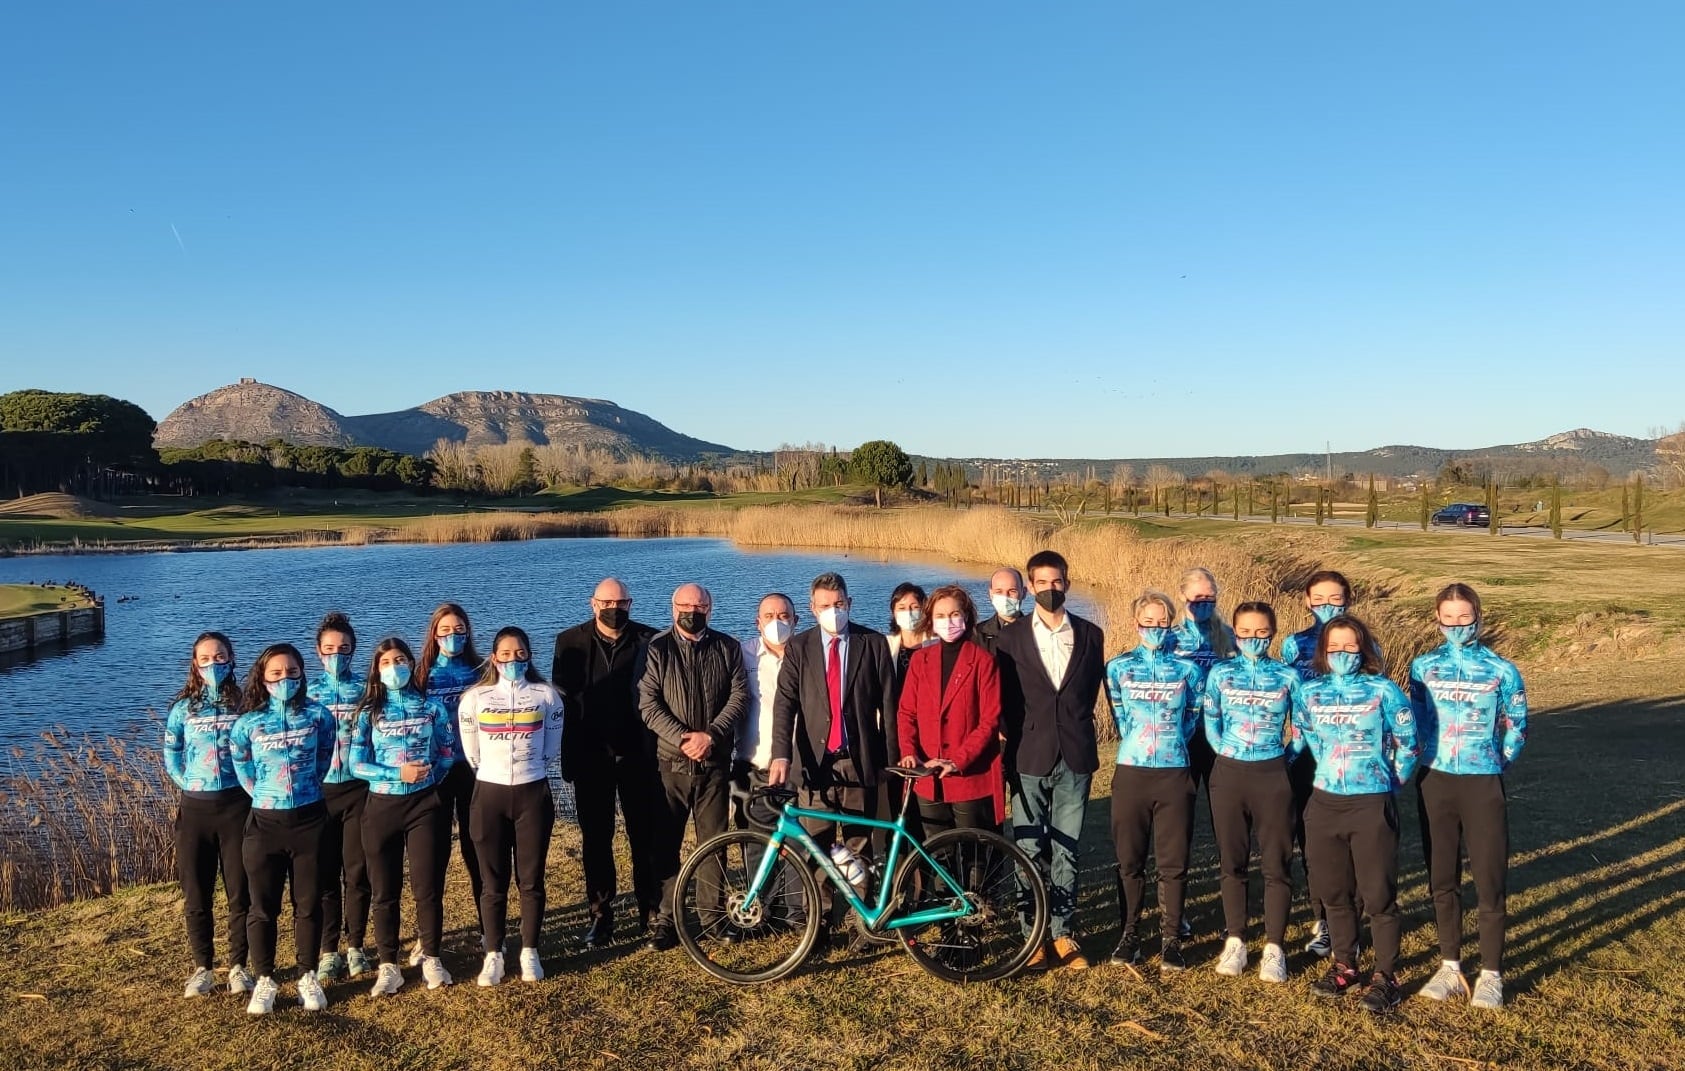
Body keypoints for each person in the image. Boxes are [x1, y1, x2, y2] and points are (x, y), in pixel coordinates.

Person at [1410, 584, 1528, 1010]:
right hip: (1435, 780)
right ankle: (1450, 965)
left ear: (1478, 616)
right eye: (1449, 617)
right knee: (1442, 877)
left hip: (1482, 781)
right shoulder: (1423, 667)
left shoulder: (1501, 669)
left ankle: (1491, 973)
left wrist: (1498, 760)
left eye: (1465, 617)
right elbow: (1417, 721)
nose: (1457, 625)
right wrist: (1421, 758)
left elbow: (1517, 722)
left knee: (1489, 877)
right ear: (1437, 619)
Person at [1292, 616, 1417, 1014]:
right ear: (1324, 653)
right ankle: (1345, 964)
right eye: (1335, 649)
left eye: (1350, 648)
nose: (1342, 655)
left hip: (1371, 801)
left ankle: (1386, 975)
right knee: (1335, 894)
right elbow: (1308, 737)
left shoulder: (1384, 690)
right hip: (1324, 802)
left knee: (1378, 894)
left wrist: (1389, 782)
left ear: (1362, 650)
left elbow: (1409, 743)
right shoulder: (1310, 693)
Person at [769, 572, 899, 938]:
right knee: (816, 847)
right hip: (815, 765)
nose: (833, 612)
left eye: (838, 605)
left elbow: (888, 706)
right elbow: (785, 705)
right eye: (825, 606)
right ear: (812, 609)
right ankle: (819, 923)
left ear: (849, 604)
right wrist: (782, 755)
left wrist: (890, 762)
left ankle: (863, 923)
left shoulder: (872, 643)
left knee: (857, 845)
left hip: (859, 762)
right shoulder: (799, 647)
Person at [993, 550, 1106, 971]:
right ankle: (1032, 933)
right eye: (1041, 583)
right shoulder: (1011, 638)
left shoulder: (1092, 635)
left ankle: (1062, 932)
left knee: (1067, 848)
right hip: (1028, 753)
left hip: (1075, 753)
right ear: (1030, 587)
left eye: (1057, 582)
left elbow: (1089, 691)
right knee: (1028, 846)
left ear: (1067, 584)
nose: (1050, 589)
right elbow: (1002, 699)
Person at [552, 577, 662, 948]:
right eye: (606, 602)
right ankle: (601, 916)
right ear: (592, 603)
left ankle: (651, 908)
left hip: (640, 755)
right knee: (596, 840)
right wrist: (564, 757)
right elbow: (562, 705)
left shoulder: (651, 640)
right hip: (591, 757)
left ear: (630, 603)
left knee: (643, 836)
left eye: (621, 602)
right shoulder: (569, 642)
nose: (614, 609)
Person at [638, 583, 749, 950]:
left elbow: (739, 696)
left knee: (714, 843)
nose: (692, 610)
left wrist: (711, 735)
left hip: (715, 763)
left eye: (699, 605)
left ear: (710, 609)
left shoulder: (727, 646)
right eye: (685, 605)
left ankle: (712, 918)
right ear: (673, 609)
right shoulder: (656, 649)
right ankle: (668, 920)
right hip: (670, 763)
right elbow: (649, 704)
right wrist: (686, 738)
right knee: (666, 843)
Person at [228, 643, 336, 1015]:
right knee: (263, 907)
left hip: (310, 820)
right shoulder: (247, 724)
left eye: (292, 672)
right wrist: (267, 795)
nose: (285, 678)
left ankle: (308, 975)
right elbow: (244, 770)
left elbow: (323, 760)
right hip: (265, 824)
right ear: (263, 677)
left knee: (307, 904)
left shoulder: (319, 716)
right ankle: (265, 979)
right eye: (276, 673)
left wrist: (304, 790)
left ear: (302, 674)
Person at [350, 637, 458, 997]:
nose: (394, 667)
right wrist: (396, 775)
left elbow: (446, 752)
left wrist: (429, 778)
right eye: (386, 663)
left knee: (428, 888)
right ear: (377, 671)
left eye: (400, 660)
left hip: (424, 806)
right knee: (385, 890)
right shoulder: (367, 713)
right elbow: (356, 763)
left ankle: (431, 956)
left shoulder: (430, 708)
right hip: (381, 806)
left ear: (411, 664)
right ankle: (388, 965)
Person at [1104, 590, 1204, 974]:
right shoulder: (1117, 667)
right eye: (1148, 623)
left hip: (1174, 772)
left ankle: (1171, 938)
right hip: (1132, 770)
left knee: (1172, 862)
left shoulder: (1188, 671)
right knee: (1130, 860)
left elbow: (1191, 717)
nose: (1156, 629)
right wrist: (1142, 744)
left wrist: (1169, 743)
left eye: (1163, 623)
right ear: (1136, 624)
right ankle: (1129, 934)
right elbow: (1119, 716)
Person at [458, 626, 564, 986]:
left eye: (520, 653)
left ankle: (530, 951)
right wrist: (494, 770)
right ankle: (494, 954)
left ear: (529, 655)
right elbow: (471, 751)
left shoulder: (546, 696)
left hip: (533, 791)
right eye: (505, 654)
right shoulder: (476, 698)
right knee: (493, 882)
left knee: (531, 879)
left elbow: (551, 747)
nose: (513, 660)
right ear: (493, 658)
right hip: (489, 792)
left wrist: (529, 767)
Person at [1202, 602, 1301, 984]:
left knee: (1276, 862)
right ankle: (1236, 939)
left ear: (1272, 633)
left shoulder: (1288, 676)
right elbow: (1212, 722)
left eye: (1261, 632)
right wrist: (1226, 752)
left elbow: (1302, 728)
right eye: (1245, 633)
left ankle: (1274, 947)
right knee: (1233, 861)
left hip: (1273, 773)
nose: (1253, 639)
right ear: (1235, 633)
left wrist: (1282, 759)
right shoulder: (1220, 673)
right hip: (1229, 772)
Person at [164, 631, 253, 998]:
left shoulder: (246, 703)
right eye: (205, 659)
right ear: (195, 664)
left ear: (231, 660)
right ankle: (203, 967)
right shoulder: (183, 708)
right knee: (196, 893)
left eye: (220, 657)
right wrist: (189, 782)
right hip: (196, 809)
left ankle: (238, 967)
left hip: (237, 806)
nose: (213, 664)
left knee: (240, 892)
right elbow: (172, 753)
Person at [1278, 569, 1359, 958]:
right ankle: (1323, 918)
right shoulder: (1294, 646)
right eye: (1320, 599)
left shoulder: (1361, 642)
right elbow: (1287, 700)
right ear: (1307, 602)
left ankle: (1354, 917)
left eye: (1336, 599)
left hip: (1353, 762)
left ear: (1348, 600)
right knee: (1312, 842)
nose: (1328, 606)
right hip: (1305, 756)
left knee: (1354, 844)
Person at [895, 585, 1004, 834]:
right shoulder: (920, 661)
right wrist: (910, 752)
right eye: (940, 616)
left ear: (966, 616)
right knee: (937, 854)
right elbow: (907, 712)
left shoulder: (983, 662)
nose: (948, 621)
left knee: (972, 852)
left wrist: (957, 760)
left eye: (954, 614)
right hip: (927, 774)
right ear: (931, 621)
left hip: (968, 777)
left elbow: (989, 720)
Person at [307, 612, 372, 982]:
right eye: (329, 649)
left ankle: (357, 945)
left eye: (344, 648)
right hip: (319, 792)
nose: (337, 655)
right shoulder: (307, 692)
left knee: (358, 870)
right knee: (325, 874)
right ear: (318, 652)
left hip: (359, 790)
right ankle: (329, 949)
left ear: (353, 650)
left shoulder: (366, 689)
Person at [416, 602, 482, 958]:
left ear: (468, 632)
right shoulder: (421, 674)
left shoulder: (480, 671)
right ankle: (429, 939)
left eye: (459, 630)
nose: (453, 637)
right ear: (434, 635)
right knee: (434, 856)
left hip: (473, 771)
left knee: (478, 852)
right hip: (434, 775)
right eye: (445, 631)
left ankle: (490, 930)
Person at [886, 582, 933, 693]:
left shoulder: (936, 644)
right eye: (902, 608)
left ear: (924, 610)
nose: (908, 613)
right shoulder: (885, 645)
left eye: (915, 607)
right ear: (893, 612)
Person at [972, 567, 1026, 654]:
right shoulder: (977, 634)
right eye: (999, 592)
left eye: (1012, 591)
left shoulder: (1037, 632)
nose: (1005, 597)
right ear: (991, 594)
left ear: (1023, 593)